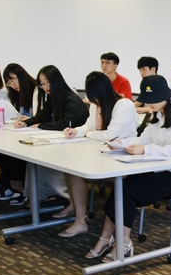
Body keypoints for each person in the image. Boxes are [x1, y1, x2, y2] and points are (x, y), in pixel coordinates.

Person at [86, 75, 171, 263]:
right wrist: (121, 143)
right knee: (121, 185)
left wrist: (145, 149)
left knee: (128, 190)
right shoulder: (156, 114)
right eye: (148, 100)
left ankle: (124, 242)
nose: (149, 104)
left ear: (165, 96)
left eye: (153, 100)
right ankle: (106, 237)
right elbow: (143, 139)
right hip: (158, 169)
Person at [56, 71, 139, 238]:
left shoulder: (123, 104)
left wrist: (89, 134)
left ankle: (80, 220)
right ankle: (77, 214)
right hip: (102, 152)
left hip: (123, 157)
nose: (92, 100)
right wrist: (76, 131)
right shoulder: (97, 104)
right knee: (70, 168)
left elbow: (110, 135)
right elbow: (89, 126)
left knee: (76, 171)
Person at [14, 65, 89, 205]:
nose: (45, 87)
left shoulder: (71, 100)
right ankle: (40, 194)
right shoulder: (53, 97)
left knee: (43, 157)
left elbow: (64, 124)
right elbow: (42, 116)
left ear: (56, 81)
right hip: (64, 140)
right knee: (35, 156)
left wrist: (40, 125)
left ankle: (58, 194)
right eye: (42, 84)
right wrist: (25, 123)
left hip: (77, 143)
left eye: (48, 82)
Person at [0, 64, 37, 203]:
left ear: (21, 76)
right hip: (22, 131)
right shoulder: (14, 94)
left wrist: (29, 120)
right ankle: (14, 186)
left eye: (13, 80)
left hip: (36, 133)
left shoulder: (36, 90)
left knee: (15, 152)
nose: (12, 85)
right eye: (9, 82)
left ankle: (21, 189)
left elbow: (41, 115)